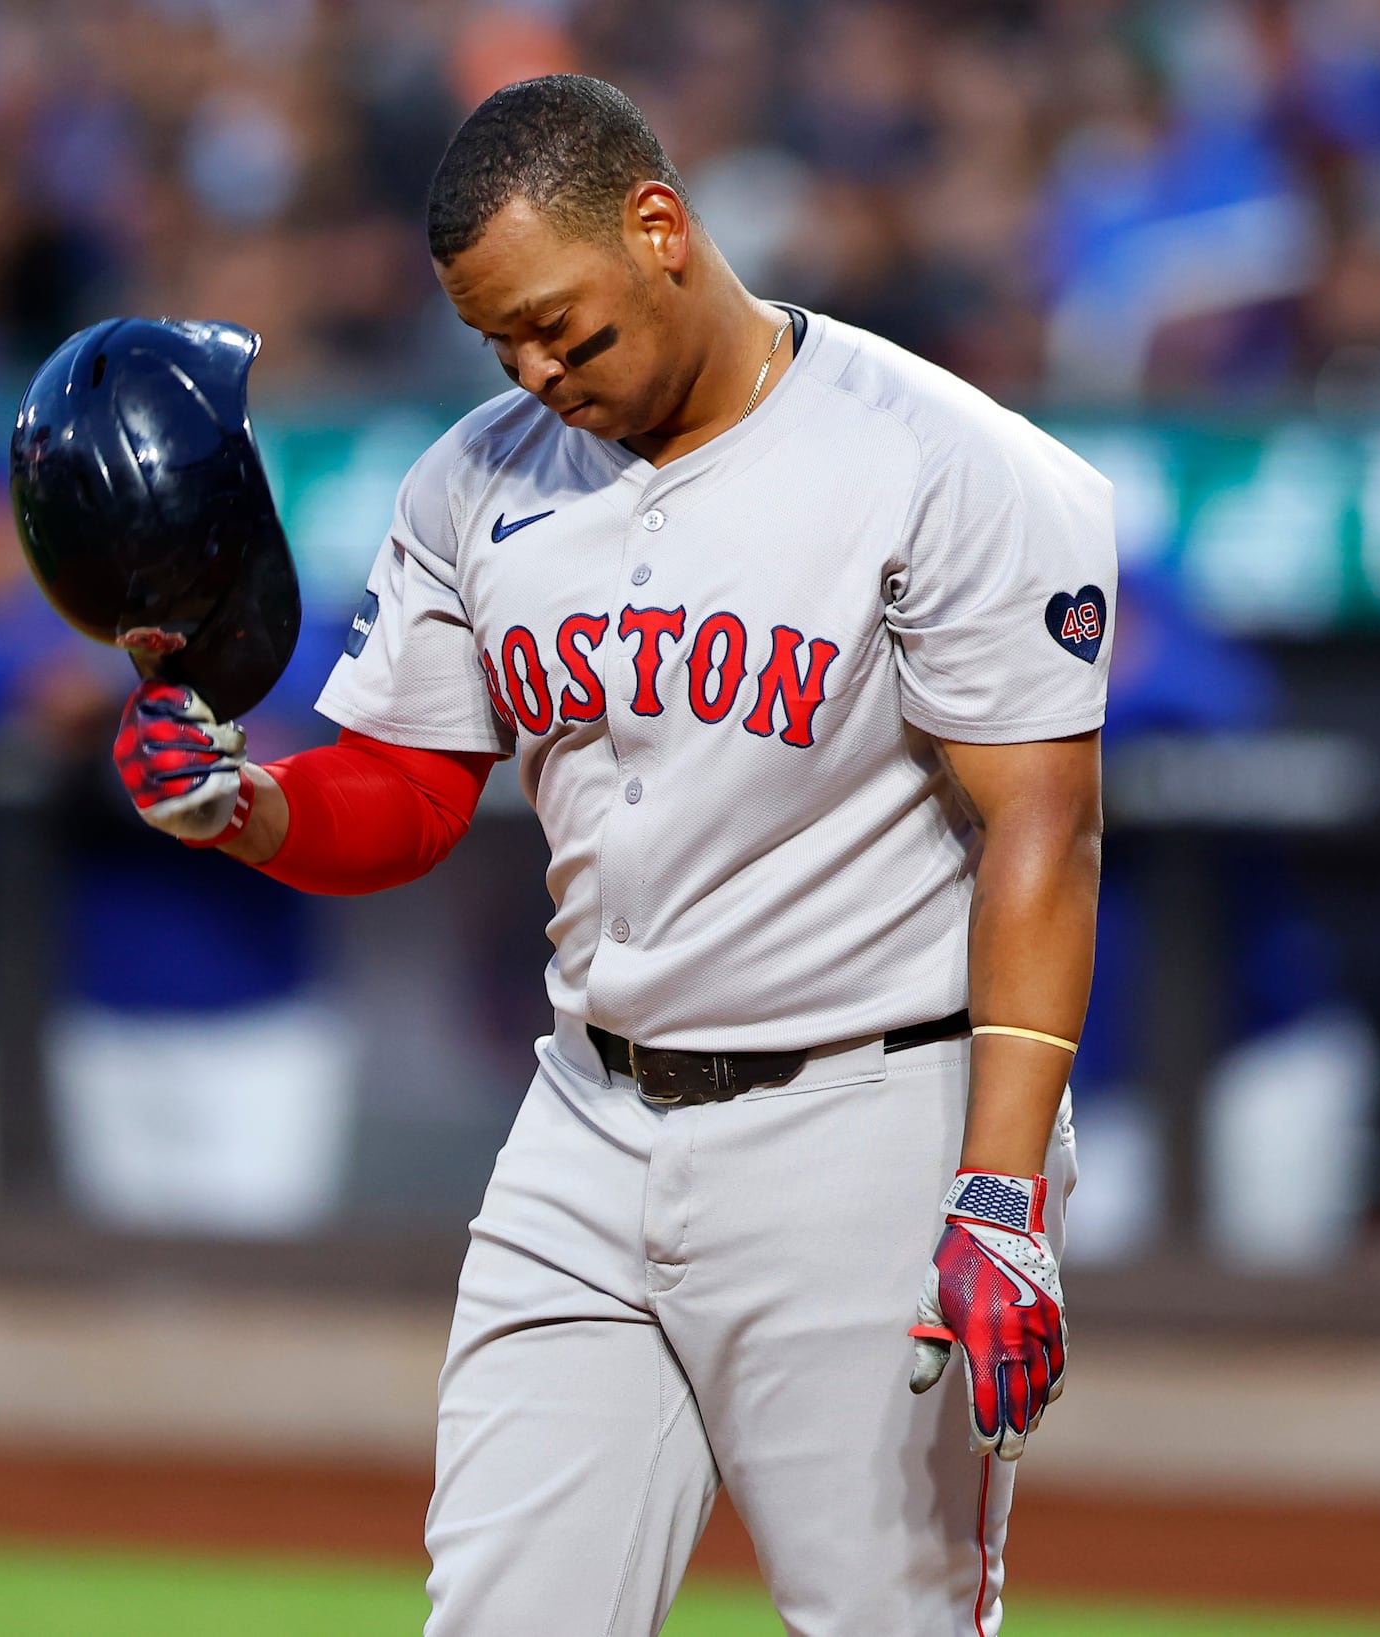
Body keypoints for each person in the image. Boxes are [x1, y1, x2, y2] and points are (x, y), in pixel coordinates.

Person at [114, 76, 1112, 1633]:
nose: (536, 369)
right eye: (498, 336)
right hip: (587, 1116)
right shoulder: (475, 480)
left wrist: (998, 1183)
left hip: (867, 1119)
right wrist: (253, 805)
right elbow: (411, 790)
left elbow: (1044, 825)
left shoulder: (940, 457)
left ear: (661, 228)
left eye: (560, 325)